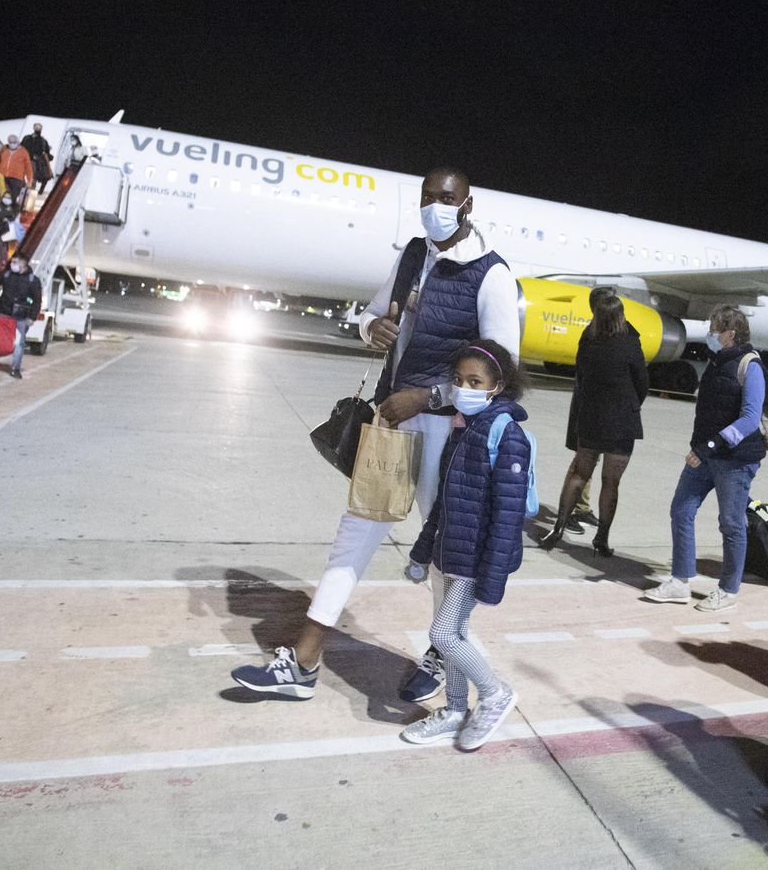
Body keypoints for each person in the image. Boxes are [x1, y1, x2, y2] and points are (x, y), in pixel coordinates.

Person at [230, 167, 519, 703]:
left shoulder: (490, 273)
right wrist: (372, 329)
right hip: (391, 421)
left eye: (447, 198)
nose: (436, 206)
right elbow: (370, 314)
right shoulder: (412, 254)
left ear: (468, 205)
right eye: (428, 197)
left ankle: (442, 650)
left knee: (442, 555)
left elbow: (502, 371)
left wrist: (430, 396)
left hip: (449, 436)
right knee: (353, 537)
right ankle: (305, 661)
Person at [396, 341, 530, 750]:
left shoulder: (507, 435)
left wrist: (492, 580)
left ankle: (494, 692)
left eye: (475, 381)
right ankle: (455, 710)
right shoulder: (463, 427)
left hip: (477, 559)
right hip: (450, 552)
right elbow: (444, 501)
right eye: (458, 380)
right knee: (454, 632)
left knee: (443, 634)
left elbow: (508, 518)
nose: (464, 388)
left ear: (497, 386)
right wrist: (422, 552)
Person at [643, 305, 766, 613]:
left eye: (714, 327)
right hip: (705, 454)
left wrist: (708, 446)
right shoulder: (716, 361)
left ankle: (728, 590)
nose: (710, 332)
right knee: (681, 509)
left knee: (731, 524)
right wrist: (703, 446)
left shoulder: (750, 365)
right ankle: (681, 582)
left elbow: (750, 419)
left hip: (735, 460)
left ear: (730, 334)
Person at [546, 287, 649, 555]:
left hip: (591, 418)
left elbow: (581, 376)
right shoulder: (630, 342)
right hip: (621, 422)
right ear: (620, 316)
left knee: (579, 474)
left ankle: (558, 528)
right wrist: (630, 405)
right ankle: (601, 539)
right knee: (610, 483)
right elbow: (642, 382)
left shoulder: (587, 340)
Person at [0, 254, 42, 379]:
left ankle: (15, 368)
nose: (12, 264)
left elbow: (37, 300)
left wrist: (32, 317)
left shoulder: (33, 280)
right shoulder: (7, 275)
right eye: (12, 262)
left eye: (15, 262)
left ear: (23, 264)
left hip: (21, 317)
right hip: (4, 313)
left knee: (18, 343)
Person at [0, 135, 34, 210]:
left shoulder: (23, 152)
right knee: (2, 196)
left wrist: (30, 181)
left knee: (13, 198)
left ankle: (12, 213)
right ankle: (1, 212)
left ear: (18, 142)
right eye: (10, 142)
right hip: (3, 176)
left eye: (14, 142)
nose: (12, 144)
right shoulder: (4, 149)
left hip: (17, 179)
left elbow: (28, 167)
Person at [20, 122, 54, 193]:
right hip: (27, 161)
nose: (38, 129)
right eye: (37, 127)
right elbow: (21, 148)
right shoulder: (27, 138)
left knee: (34, 178)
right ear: (34, 128)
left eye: (39, 127)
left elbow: (46, 153)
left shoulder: (43, 141)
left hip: (34, 162)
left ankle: (30, 193)